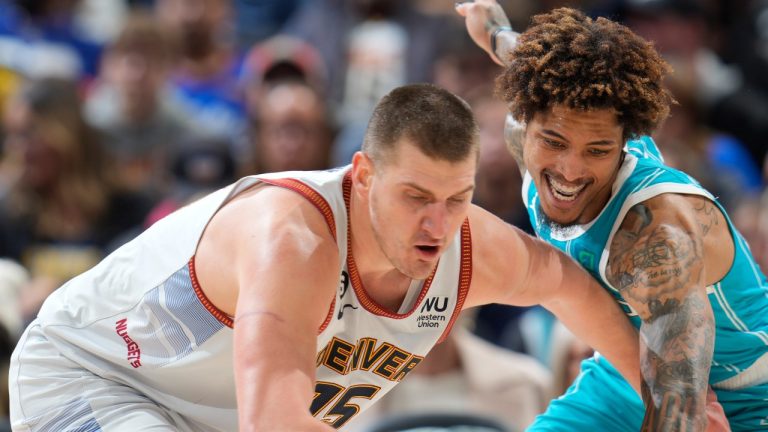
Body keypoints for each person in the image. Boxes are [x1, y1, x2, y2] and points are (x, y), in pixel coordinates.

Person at [9, 83, 642, 431]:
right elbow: (275, 428)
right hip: (90, 374)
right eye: (415, 196)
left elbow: (570, 286)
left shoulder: (469, 244)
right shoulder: (293, 241)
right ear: (363, 176)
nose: (437, 223)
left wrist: (671, 394)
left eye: (457, 198)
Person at [457, 2, 767, 430]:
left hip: (743, 397)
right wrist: (493, 30)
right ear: (523, 122)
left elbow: (680, 409)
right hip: (627, 370)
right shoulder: (529, 116)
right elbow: (529, 61)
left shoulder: (657, 236)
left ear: (626, 140)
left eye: (597, 150)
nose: (570, 169)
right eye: (553, 141)